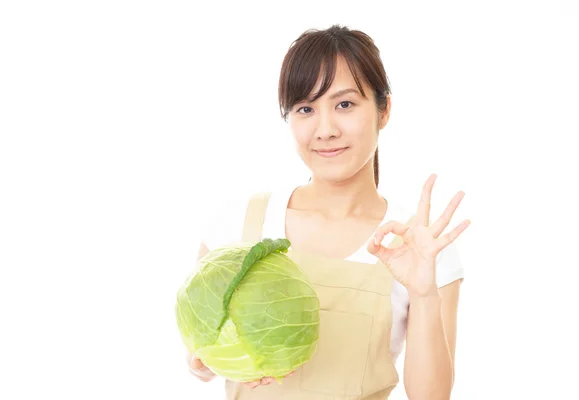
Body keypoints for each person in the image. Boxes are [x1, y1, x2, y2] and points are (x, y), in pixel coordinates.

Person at [187, 24, 470, 399]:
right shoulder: (237, 221)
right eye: (305, 108)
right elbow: (200, 355)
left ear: (384, 110)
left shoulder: (420, 245)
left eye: (345, 104)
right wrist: (207, 360)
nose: (325, 129)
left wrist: (423, 294)